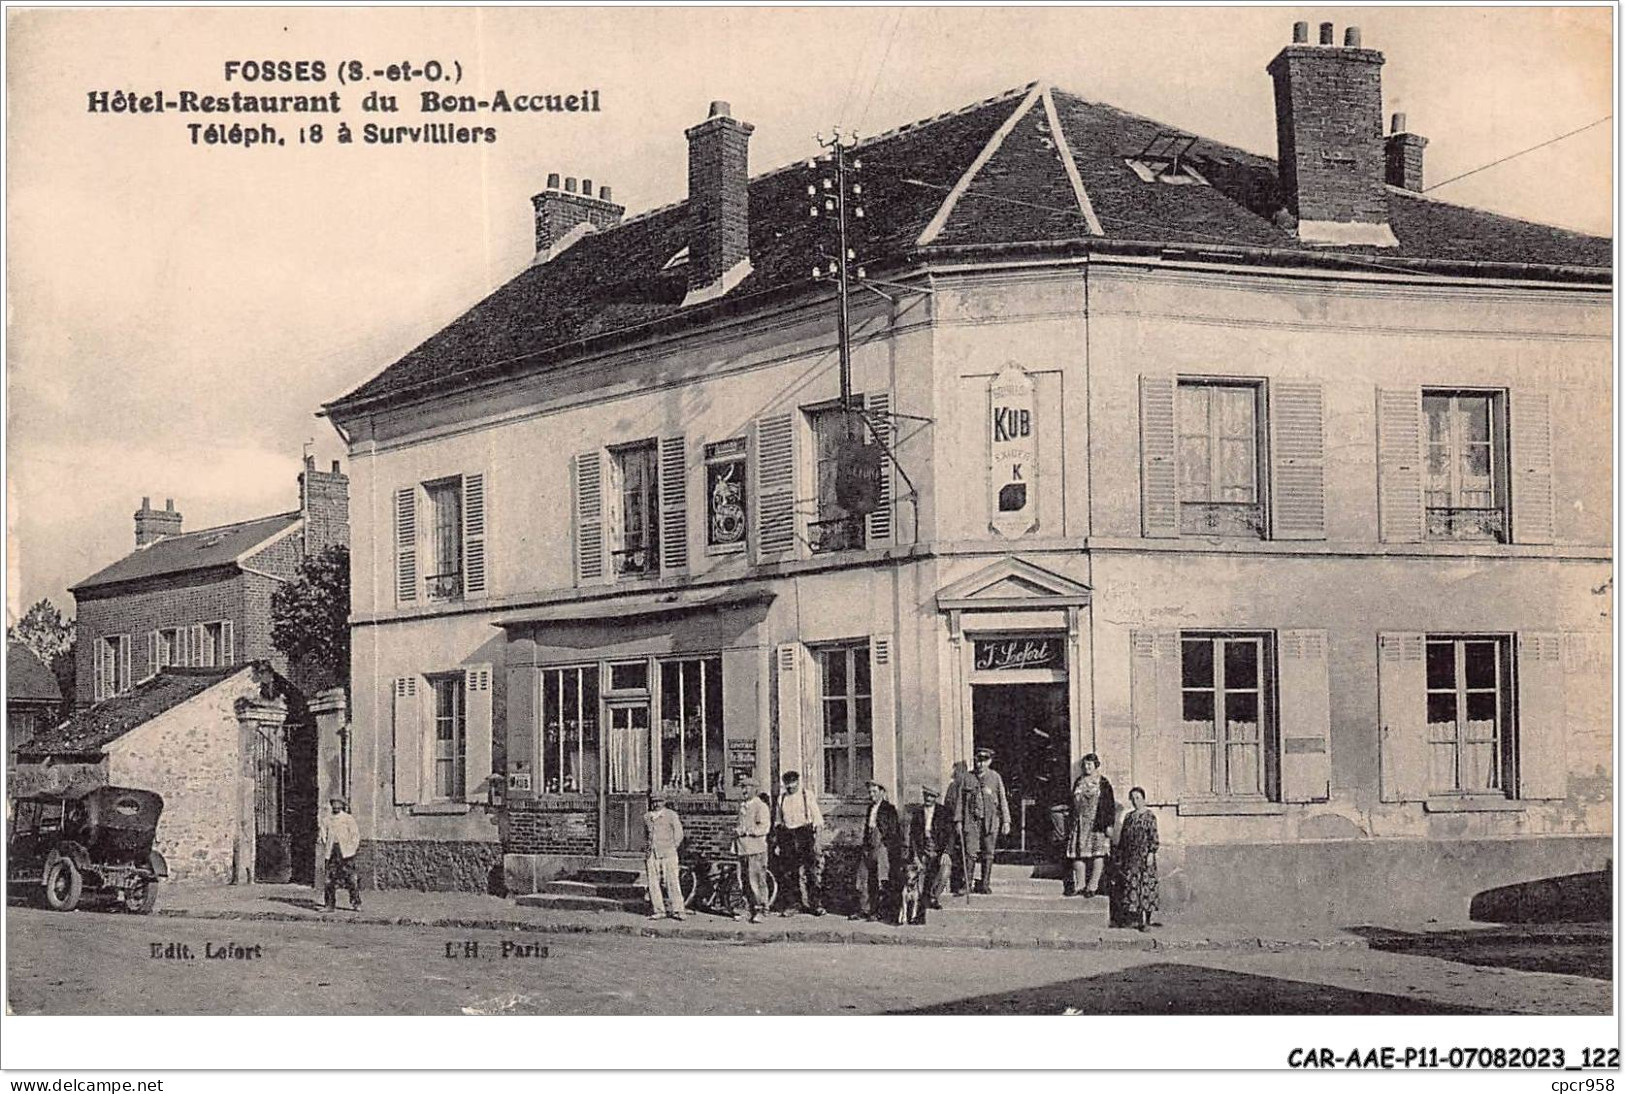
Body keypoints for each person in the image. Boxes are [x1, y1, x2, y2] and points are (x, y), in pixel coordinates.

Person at [956, 747, 1010, 894]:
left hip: (990, 821)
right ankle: (967, 884)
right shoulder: (967, 778)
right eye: (978, 760)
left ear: (990, 761)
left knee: (988, 852)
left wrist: (1006, 821)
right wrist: (958, 821)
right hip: (971, 820)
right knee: (970, 852)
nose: (980, 764)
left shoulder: (995, 777)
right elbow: (960, 801)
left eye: (984, 760)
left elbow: (1003, 799)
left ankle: (985, 884)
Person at [773, 770, 826, 916]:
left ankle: (816, 904)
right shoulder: (781, 798)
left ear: (798, 782)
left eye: (792, 783)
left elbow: (818, 820)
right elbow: (778, 822)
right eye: (787, 784)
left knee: (811, 871)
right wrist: (778, 843)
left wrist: (817, 842)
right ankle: (794, 904)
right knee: (790, 873)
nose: (790, 786)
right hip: (787, 836)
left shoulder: (806, 795)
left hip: (804, 834)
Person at [1067, 753, 1116, 898]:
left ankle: (1093, 886)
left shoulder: (1103, 783)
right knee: (1077, 855)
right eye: (1085, 764)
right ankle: (1080, 884)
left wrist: (1109, 824)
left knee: (1097, 853)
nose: (1087, 767)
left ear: (1096, 765)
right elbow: (1072, 803)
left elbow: (1109, 806)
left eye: (1090, 764)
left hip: (1097, 824)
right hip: (1080, 824)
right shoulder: (1079, 782)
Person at [852, 780, 902, 921]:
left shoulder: (889, 809)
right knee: (863, 877)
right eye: (869, 792)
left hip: (882, 847)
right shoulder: (870, 809)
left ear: (882, 792)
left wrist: (885, 847)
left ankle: (880, 912)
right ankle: (865, 910)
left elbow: (893, 831)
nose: (871, 795)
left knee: (881, 880)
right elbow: (868, 829)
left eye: (874, 792)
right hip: (868, 846)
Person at [1115, 786, 1159, 931]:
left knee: (1146, 887)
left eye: (1138, 798)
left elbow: (1153, 836)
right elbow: (1123, 838)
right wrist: (1120, 855)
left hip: (1145, 856)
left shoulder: (1149, 816)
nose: (1135, 801)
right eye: (1133, 799)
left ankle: (1147, 920)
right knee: (1132, 886)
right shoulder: (1129, 817)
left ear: (1144, 799)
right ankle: (1137, 919)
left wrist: (1151, 854)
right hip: (1131, 858)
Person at [909, 784, 955, 910]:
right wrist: (915, 855)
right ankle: (920, 900)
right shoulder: (918, 813)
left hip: (939, 850)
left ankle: (933, 897)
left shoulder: (943, 812)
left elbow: (951, 834)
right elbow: (913, 836)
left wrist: (947, 852)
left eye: (931, 796)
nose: (928, 799)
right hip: (923, 850)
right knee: (918, 872)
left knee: (945, 870)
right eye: (926, 795)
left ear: (936, 797)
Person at [643, 792, 686, 921]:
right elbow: (645, 835)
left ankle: (678, 910)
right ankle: (658, 910)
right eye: (654, 801)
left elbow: (679, 834)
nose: (656, 804)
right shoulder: (647, 817)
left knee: (672, 881)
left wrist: (672, 847)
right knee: (653, 882)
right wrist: (647, 849)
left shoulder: (671, 815)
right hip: (652, 853)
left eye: (659, 801)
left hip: (668, 853)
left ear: (664, 802)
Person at [734, 787, 773, 923]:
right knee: (743, 881)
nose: (744, 790)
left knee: (756, 881)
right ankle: (747, 909)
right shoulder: (743, 805)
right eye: (742, 787)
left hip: (755, 849)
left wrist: (747, 831)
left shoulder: (760, 806)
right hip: (742, 848)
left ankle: (761, 910)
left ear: (755, 790)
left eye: (747, 788)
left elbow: (764, 827)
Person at [319, 796, 361, 912]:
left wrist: (351, 849)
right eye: (334, 803)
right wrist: (326, 844)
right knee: (329, 879)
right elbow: (323, 834)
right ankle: (329, 905)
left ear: (342, 805)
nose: (336, 806)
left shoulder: (347, 819)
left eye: (339, 804)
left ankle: (356, 903)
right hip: (332, 851)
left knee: (351, 878)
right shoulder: (327, 819)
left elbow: (355, 835)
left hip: (346, 852)